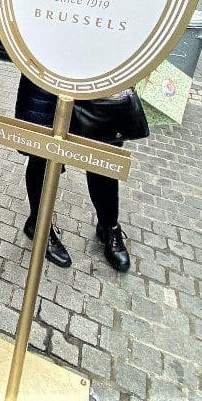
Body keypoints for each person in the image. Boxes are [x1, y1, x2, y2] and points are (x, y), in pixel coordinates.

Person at [16, 77, 135, 272]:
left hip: (99, 73)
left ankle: (109, 226)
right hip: (48, 74)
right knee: (43, 153)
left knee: (102, 156)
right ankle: (38, 225)